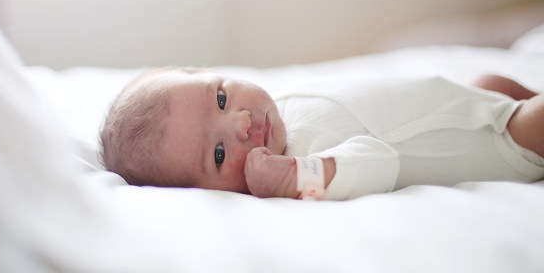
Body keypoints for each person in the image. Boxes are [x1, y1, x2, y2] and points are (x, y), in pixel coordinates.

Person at [99, 68, 544, 200]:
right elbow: (378, 162)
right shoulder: (302, 165)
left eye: (219, 98)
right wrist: (298, 178)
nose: (240, 123)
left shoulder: (278, 113)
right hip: (497, 140)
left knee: (492, 81)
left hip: (459, 101)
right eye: (218, 154)